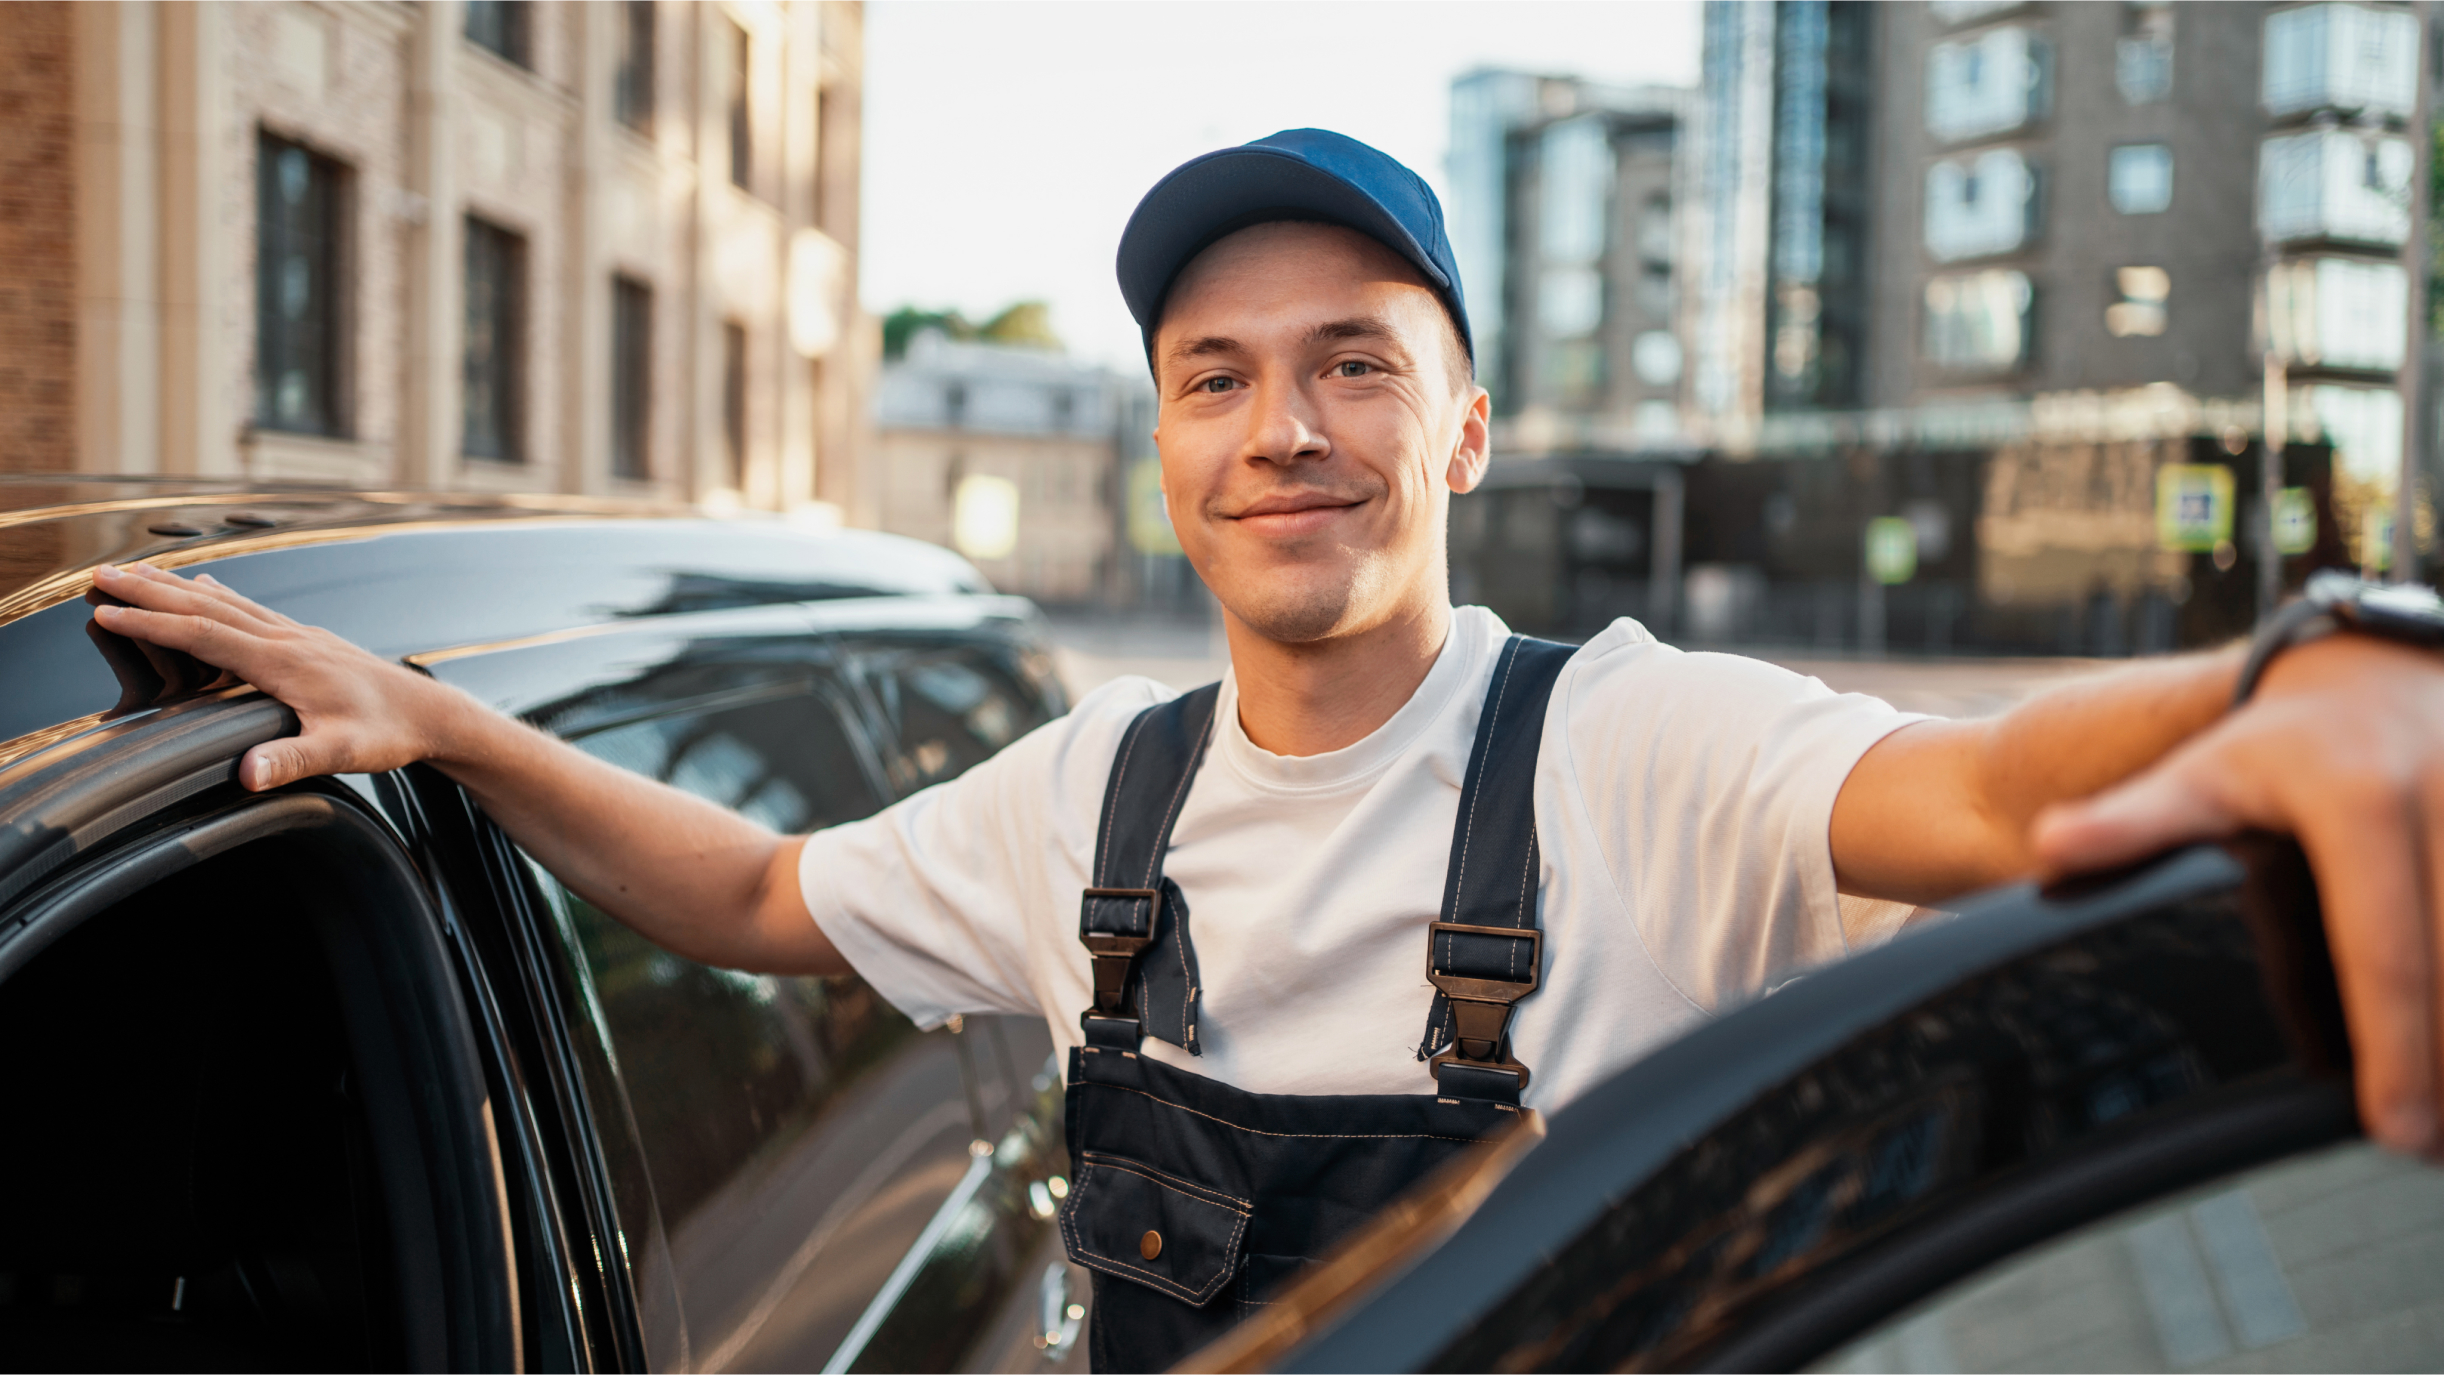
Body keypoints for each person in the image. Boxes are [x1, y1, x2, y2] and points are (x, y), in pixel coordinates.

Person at [87, 130, 2444, 1369]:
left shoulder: (1639, 744)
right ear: (1162, 446)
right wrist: (440, 720)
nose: (1281, 427)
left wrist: (2311, 673)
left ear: (1465, 430)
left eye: (1352, 364)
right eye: (1214, 377)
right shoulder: (1093, 794)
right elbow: (757, 895)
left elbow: (2004, 790)